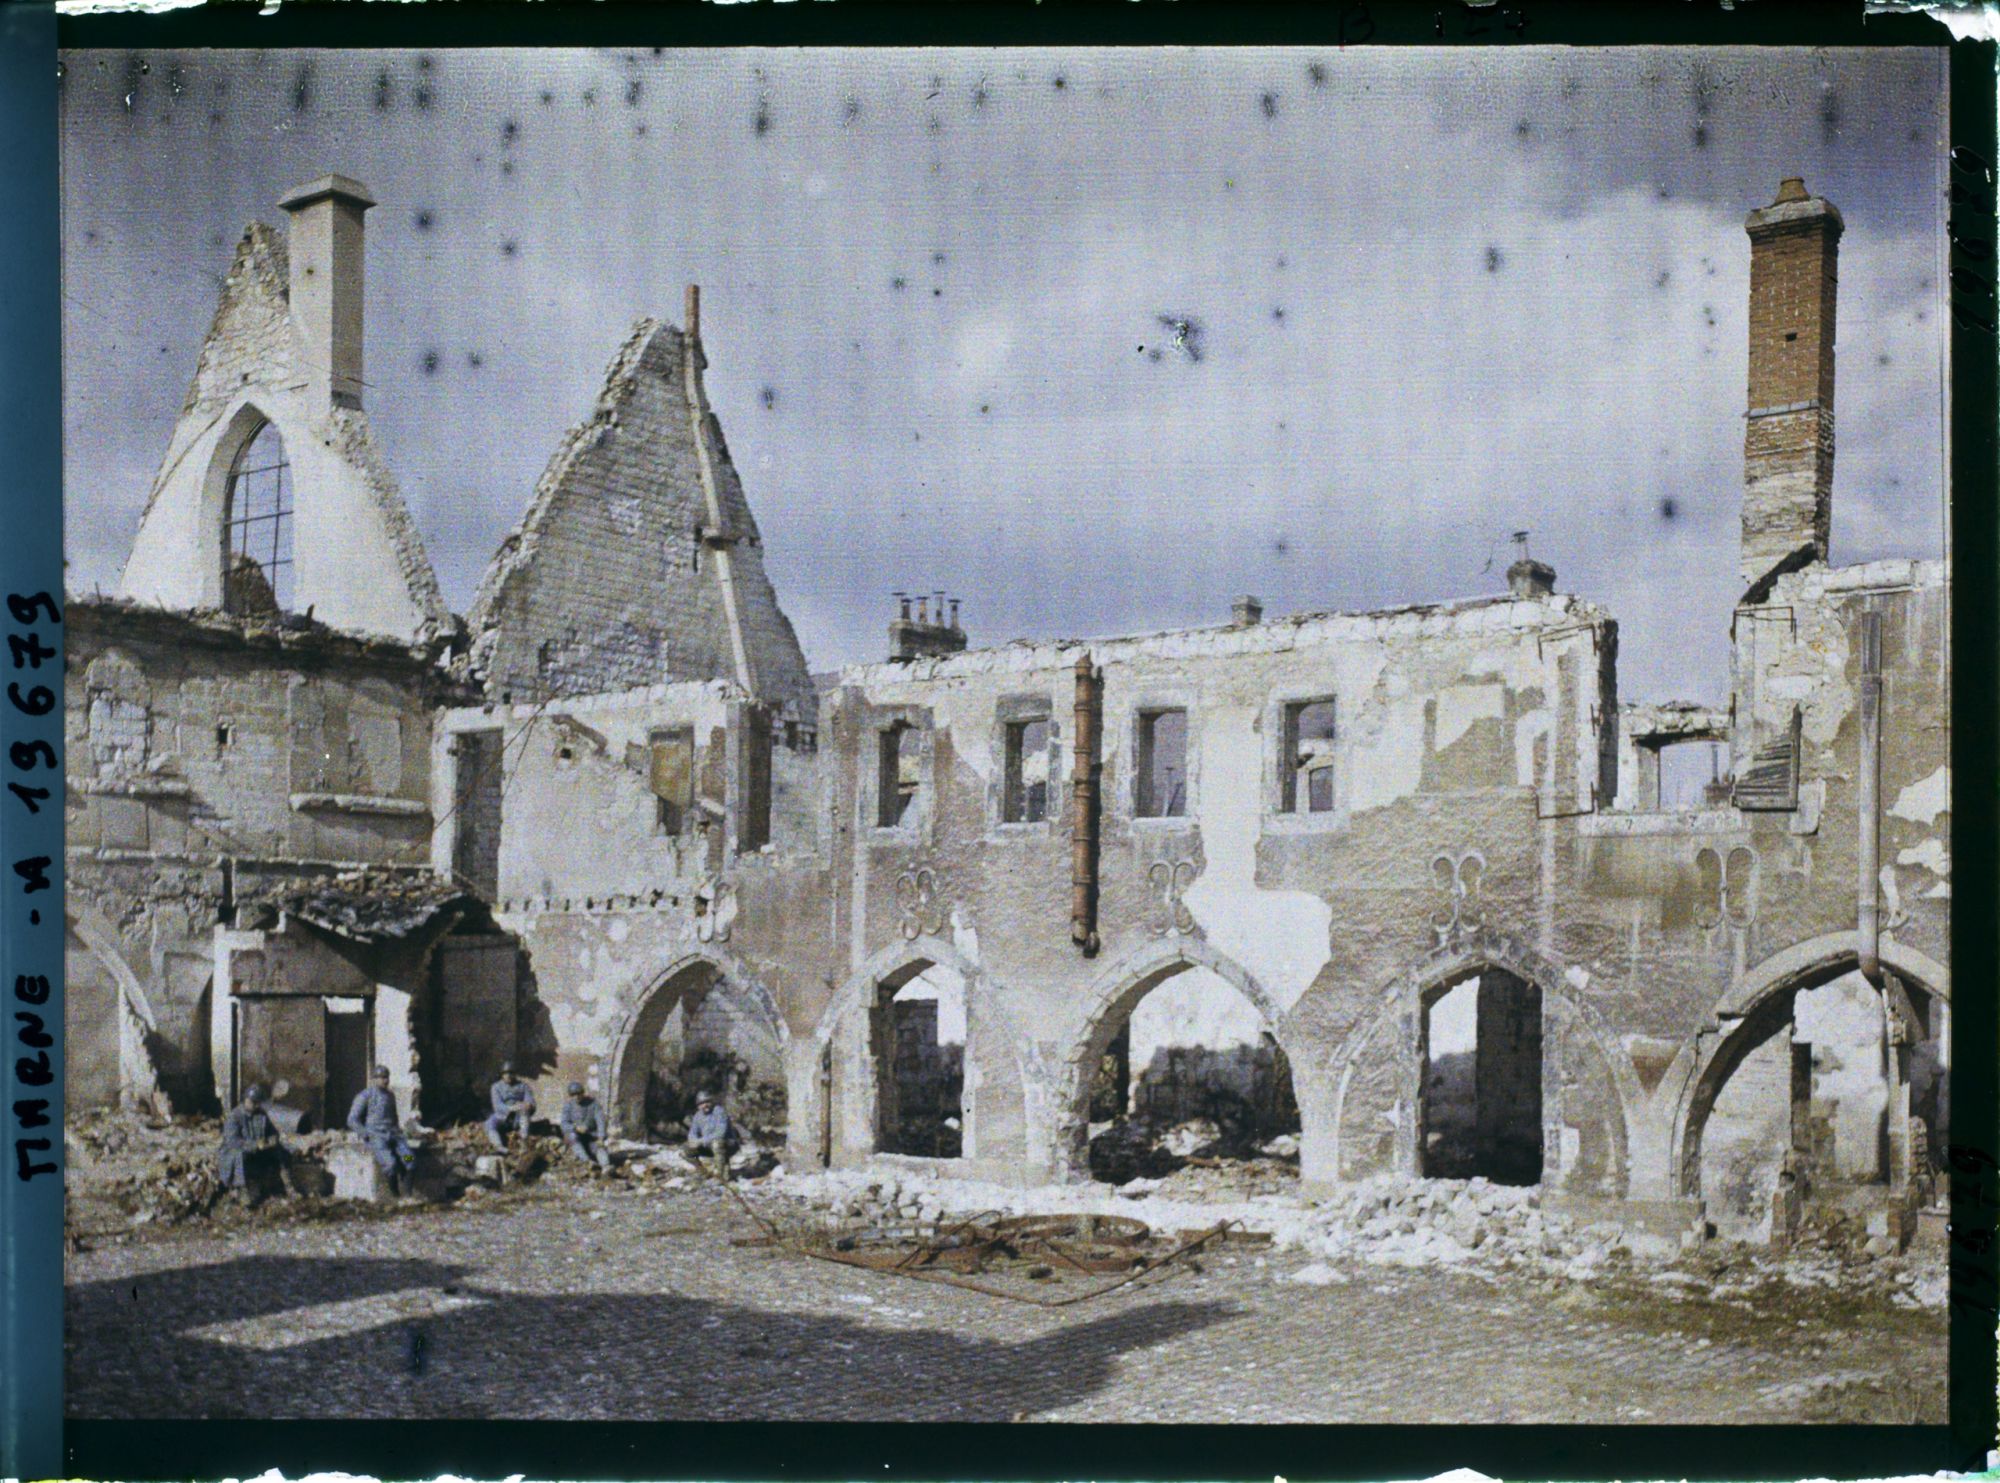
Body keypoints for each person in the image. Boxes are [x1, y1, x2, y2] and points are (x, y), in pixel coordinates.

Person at [348, 1064, 419, 1196]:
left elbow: (394, 1117)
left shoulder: (390, 1095)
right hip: (377, 1138)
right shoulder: (365, 1096)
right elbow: (352, 1119)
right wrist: (365, 1134)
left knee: (410, 1159)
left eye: (386, 1077)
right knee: (390, 1164)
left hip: (394, 1136)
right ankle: (395, 1196)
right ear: (374, 1079)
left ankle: (408, 1195)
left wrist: (400, 1132)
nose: (385, 1080)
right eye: (381, 1077)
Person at [217, 1084, 293, 1205]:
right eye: (252, 1102)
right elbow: (232, 1141)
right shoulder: (234, 1116)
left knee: (281, 1150)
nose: (255, 1105)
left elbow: (272, 1132)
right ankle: (241, 1189)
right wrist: (255, 1145)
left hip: (257, 1150)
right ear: (245, 1100)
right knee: (239, 1156)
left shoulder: (261, 1115)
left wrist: (272, 1139)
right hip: (234, 1153)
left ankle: (288, 1186)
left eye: (257, 1103)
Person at [684, 1090, 741, 1182]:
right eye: (702, 1103)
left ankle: (720, 1176)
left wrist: (701, 1141)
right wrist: (693, 1141)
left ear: (712, 1102)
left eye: (707, 1102)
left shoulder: (719, 1111)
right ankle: (703, 1173)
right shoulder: (697, 1116)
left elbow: (720, 1133)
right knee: (685, 1150)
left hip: (728, 1144)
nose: (705, 1105)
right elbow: (692, 1133)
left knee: (717, 1144)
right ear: (698, 1106)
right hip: (709, 1146)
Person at [484, 1060, 537, 1151]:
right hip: (503, 1117)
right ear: (502, 1075)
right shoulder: (496, 1087)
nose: (508, 1075)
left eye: (510, 1073)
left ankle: (524, 1142)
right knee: (489, 1123)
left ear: (514, 1074)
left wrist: (528, 1105)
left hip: (518, 1118)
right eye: (505, 1073)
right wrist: (511, 1108)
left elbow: (530, 1101)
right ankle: (498, 1146)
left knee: (524, 1113)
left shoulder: (523, 1086)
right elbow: (497, 1106)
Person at [559, 1081, 611, 1171]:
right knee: (571, 1136)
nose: (576, 1097)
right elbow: (564, 1124)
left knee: (600, 1149)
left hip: (591, 1136)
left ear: (582, 1093)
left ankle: (606, 1167)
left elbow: (601, 1121)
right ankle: (587, 1162)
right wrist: (575, 1128)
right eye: (573, 1095)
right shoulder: (568, 1106)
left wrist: (601, 1137)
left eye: (578, 1094)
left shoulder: (593, 1104)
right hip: (577, 1138)